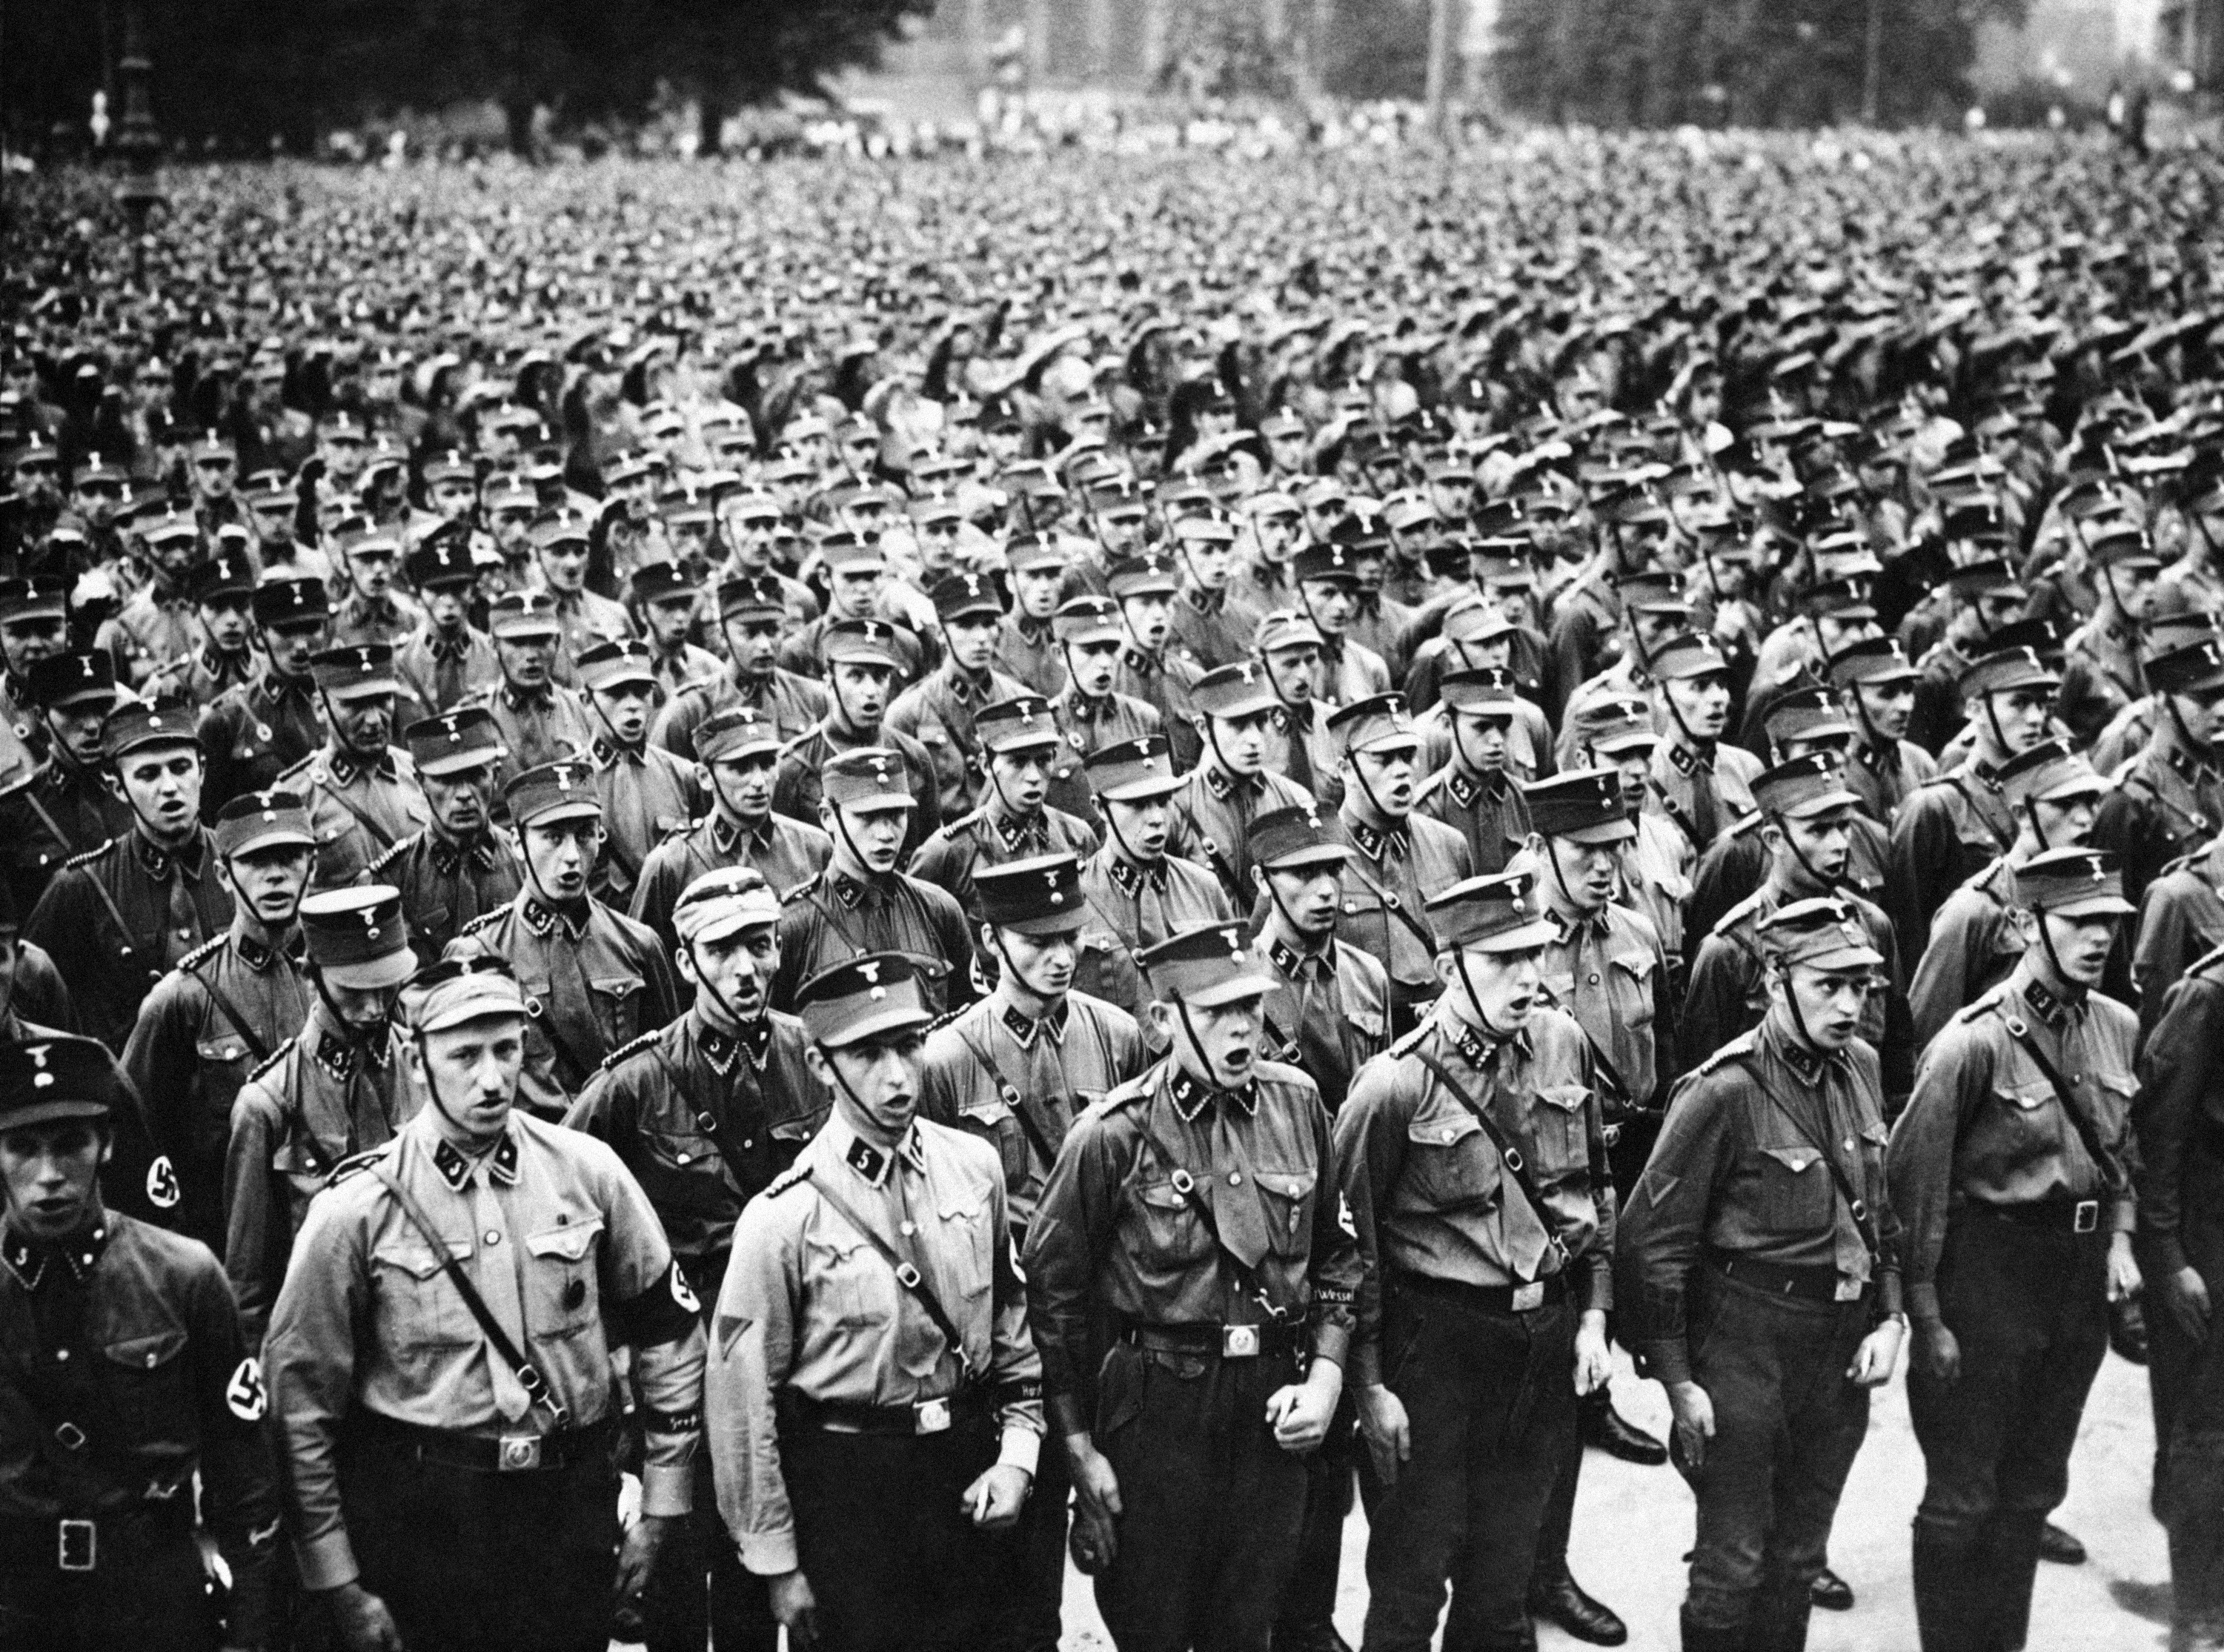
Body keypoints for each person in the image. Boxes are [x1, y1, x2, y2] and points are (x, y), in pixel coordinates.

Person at [262, 952, 707, 1652]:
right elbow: (299, 1403)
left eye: (506, 1049)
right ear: (416, 1059)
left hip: (565, 1516)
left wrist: (662, 1504)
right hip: (425, 1521)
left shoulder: (586, 1174)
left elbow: (671, 1334)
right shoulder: (357, 1210)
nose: (493, 1077)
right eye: (465, 1055)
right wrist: (335, 1576)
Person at [1023, 916, 1362, 1652]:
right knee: (1152, 1618)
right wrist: (1079, 1450)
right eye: (1216, 1013)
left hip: (1273, 1406)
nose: (1242, 1029)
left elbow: (1339, 1255)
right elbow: (1050, 1304)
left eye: (1249, 1006)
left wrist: (1328, 1378)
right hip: (1157, 1415)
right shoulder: (1110, 1136)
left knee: (1249, 1619)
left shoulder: (1298, 1103)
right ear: (1160, 1020)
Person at [705, 951, 1044, 1652]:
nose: (896, 1075)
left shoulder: (974, 1168)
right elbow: (742, 1406)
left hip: (966, 1475)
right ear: (821, 1064)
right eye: (866, 1054)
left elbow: (1010, 1326)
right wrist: (778, 1562)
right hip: (849, 1496)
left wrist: (1017, 1455)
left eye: (908, 1046)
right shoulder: (782, 1219)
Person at [1330, 869, 1616, 1652]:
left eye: (1535, 955)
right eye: (1501, 961)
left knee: (1503, 1582)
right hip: (1439, 1350)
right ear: (1451, 966)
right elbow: (1349, 1253)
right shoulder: (1395, 1085)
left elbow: (1592, 1189)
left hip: (1540, 1343)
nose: (1527, 978)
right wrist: (1370, 1388)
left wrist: (1593, 1317)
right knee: (1412, 1580)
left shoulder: (1563, 1044)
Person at [1619, 897, 1908, 1652]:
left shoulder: (1863, 1069)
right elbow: (1650, 1246)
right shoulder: (1724, 1090)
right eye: (1828, 985)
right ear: (1775, 980)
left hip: (1836, 1350)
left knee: (1799, 1558)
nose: (1849, 1006)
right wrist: (1678, 1380)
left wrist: (1890, 1316)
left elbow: (1881, 1213)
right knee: (1733, 1563)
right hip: (1743, 1346)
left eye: (1861, 986)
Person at [1887, 848, 2142, 1652]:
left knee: (2030, 1493)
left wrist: (2122, 1238)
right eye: (2079, 921)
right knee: (1963, 1496)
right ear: (2028, 924)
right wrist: (1924, 1317)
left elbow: (2121, 1148)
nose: (2098, 938)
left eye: (2109, 922)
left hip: (2072, 1286)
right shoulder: (1971, 1046)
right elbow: (1914, 1189)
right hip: (1986, 1280)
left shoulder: (2118, 1026)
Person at [570, 867, 829, 1652]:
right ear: (685, 961)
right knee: (686, 1595)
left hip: (801, 1362)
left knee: (803, 1576)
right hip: (689, 1369)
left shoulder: (816, 1057)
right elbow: (572, 1222)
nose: (745, 969)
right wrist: (611, 1357)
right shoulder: (633, 1087)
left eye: (759, 945)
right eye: (722, 951)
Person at [918, 852, 1146, 1652]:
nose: (1059, 955)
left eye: (1071, 937)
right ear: (990, 941)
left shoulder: (1116, 1037)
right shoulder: (945, 1061)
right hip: (1008, 1334)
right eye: (1036, 938)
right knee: (1008, 1578)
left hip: (1107, 1325)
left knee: (1135, 1552)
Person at [0, 1033, 281, 1652]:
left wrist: (251, 1630)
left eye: (71, 1143)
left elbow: (243, 1473)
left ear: (107, 1144)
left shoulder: (184, 1276)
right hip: (16, 1600)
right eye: (23, 1147)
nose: (48, 1175)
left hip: (154, 1595)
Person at [123, 789, 316, 1257]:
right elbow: (137, 1129)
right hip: (229, 1234)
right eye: (256, 861)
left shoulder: (342, 977)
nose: (275, 875)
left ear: (314, 868)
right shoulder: (185, 997)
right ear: (223, 875)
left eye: (290, 858)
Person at [222, 883, 417, 1344]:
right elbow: (249, 1280)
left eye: (386, 986)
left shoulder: (425, 1067)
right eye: (353, 990)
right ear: (312, 978)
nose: (374, 1007)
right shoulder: (269, 1106)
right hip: (326, 1335)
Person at [1682, 754, 1914, 1107]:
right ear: (1774, 839)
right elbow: (1703, 1089)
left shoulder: (1871, 926)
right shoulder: (1729, 950)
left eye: (1844, 826)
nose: (1839, 843)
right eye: (1819, 829)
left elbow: (1897, 1069)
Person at [457, 760, 680, 1118]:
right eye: (554, 838)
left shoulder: (638, 945)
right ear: (517, 843)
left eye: (585, 835)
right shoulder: (482, 953)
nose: (572, 856)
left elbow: (668, 1073)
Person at [25, 703, 235, 1051]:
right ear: (119, 788)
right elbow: (28, 992)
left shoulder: (242, 862)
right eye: (148, 774)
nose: (169, 787)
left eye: (180, 768)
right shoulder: (83, 886)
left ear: (201, 771)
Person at [1909, 740, 2108, 1048]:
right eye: (2067, 804)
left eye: (2091, 802)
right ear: (2022, 814)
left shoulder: (2095, 899)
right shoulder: (1974, 910)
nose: (2085, 818)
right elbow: (1929, 1039)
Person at [769, 746, 975, 1019]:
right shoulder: (794, 925)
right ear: (828, 817)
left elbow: (969, 1025)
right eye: (866, 817)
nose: (885, 834)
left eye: (896, 814)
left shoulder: (939, 910)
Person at [1887, 642, 2059, 963]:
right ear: (1976, 710)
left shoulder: (2050, 800)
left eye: (2041, 704)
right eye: (2020, 704)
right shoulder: (1934, 807)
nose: (2036, 718)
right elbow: (1911, 937)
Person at [1324, 693, 1474, 1035]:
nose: (1403, 772)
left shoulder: (1449, 844)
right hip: (1362, 1046)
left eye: (1408, 756)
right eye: (1384, 760)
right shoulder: (1318, 859)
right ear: (1346, 768)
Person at [631, 704, 832, 954]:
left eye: (767, 764)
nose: (759, 782)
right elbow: (646, 959)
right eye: (740, 768)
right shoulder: (672, 863)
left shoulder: (814, 847)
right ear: (705, 777)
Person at [1072, 733, 1234, 1024]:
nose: (1157, 817)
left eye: (1162, 801)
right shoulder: (1078, 896)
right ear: (1100, 808)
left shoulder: (1203, 887)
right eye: (1137, 804)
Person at [908, 693, 1101, 926]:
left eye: (1043, 760)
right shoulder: (949, 852)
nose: (1033, 777)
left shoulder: (1077, 836)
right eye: (1018, 762)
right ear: (986, 766)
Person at [771, 619, 944, 866]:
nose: (871, 690)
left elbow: (930, 855)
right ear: (830, 684)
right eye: (856, 676)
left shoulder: (914, 757)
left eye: (880, 676)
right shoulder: (795, 766)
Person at [368, 708, 526, 966]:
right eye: (446, 779)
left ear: (495, 775)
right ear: (421, 783)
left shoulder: (525, 863)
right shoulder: (394, 877)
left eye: (476, 776)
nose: (463, 794)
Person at [1165, 660, 1319, 910]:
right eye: (1238, 725)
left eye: (1261, 722)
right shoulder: (1176, 806)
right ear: (1204, 729)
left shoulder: (1294, 799)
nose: (1255, 739)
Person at [281, 644, 431, 889]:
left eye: (383, 700)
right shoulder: (296, 796)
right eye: (354, 705)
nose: (373, 720)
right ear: (320, 708)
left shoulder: (422, 774)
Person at [2094, 634, 2224, 913]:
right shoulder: (2131, 796)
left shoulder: (2213, 771)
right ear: (2163, 702)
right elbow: (2118, 915)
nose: (2222, 710)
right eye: (2203, 699)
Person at [887, 570, 1030, 821]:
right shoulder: (908, 712)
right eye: (965, 625)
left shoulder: (1020, 703)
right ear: (941, 633)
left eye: (988, 624)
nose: (981, 638)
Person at [0, 648, 133, 918]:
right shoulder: (15, 811)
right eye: (73, 711)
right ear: (40, 716)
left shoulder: (139, 790)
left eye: (102, 708)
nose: (92, 725)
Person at [578, 637, 706, 909]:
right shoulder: (571, 783)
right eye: (617, 694)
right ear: (587, 701)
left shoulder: (683, 775)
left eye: (641, 692)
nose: (633, 704)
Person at [650, 574, 830, 762]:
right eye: (750, 633)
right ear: (724, 635)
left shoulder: (813, 698)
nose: (764, 645)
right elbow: (663, 777)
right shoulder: (692, 708)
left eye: (772, 631)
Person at [196, 576, 333, 819]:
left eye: (311, 628)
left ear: (326, 631)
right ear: (259, 637)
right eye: (286, 631)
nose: (301, 645)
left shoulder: (347, 704)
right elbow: (212, 820)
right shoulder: (229, 719)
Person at [1643, 632, 1760, 860]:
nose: (1718, 697)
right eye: (1700, 686)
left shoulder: (1748, 768)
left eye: (1721, 685)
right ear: (1663, 698)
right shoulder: (1647, 775)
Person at [471, 591, 597, 795]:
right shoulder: (476, 718)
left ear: (557, 643)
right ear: (494, 646)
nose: (531, 655)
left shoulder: (582, 710)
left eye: (541, 641)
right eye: (517, 643)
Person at [1415, 666, 1536, 877]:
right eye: (1482, 727)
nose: (1497, 740)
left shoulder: (1527, 801)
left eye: (1503, 726)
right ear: (1447, 726)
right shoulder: (1427, 808)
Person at [393, 531, 500, 716]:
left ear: (473, 593)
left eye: (458, 589)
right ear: (418, 595)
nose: (449, 601)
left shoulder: (495, 655)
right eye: (436, 590)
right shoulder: (400, 661)